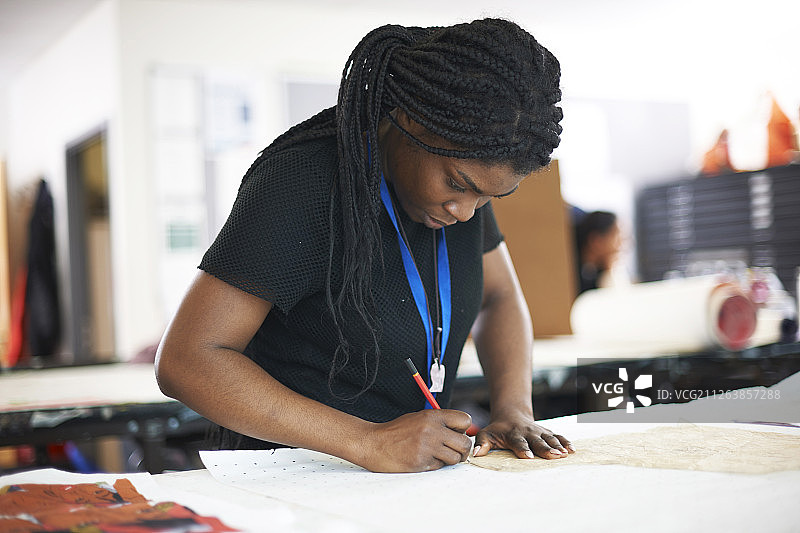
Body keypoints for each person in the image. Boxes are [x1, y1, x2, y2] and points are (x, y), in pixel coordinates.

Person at [155, 18, 574, 473]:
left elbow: (500, 295)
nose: (467, 212)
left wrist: (513, 409)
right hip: (295, 478)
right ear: (413, 120)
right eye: (458, 184)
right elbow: (188, 358)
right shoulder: (304, 182)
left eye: (489, 197)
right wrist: (366, 441)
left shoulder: (458, 192)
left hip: (403, 479)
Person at [573, 210, 623, 295]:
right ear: (596, 241)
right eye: (615, 236)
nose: (620, 245)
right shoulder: (573, 277)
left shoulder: (594, 273)